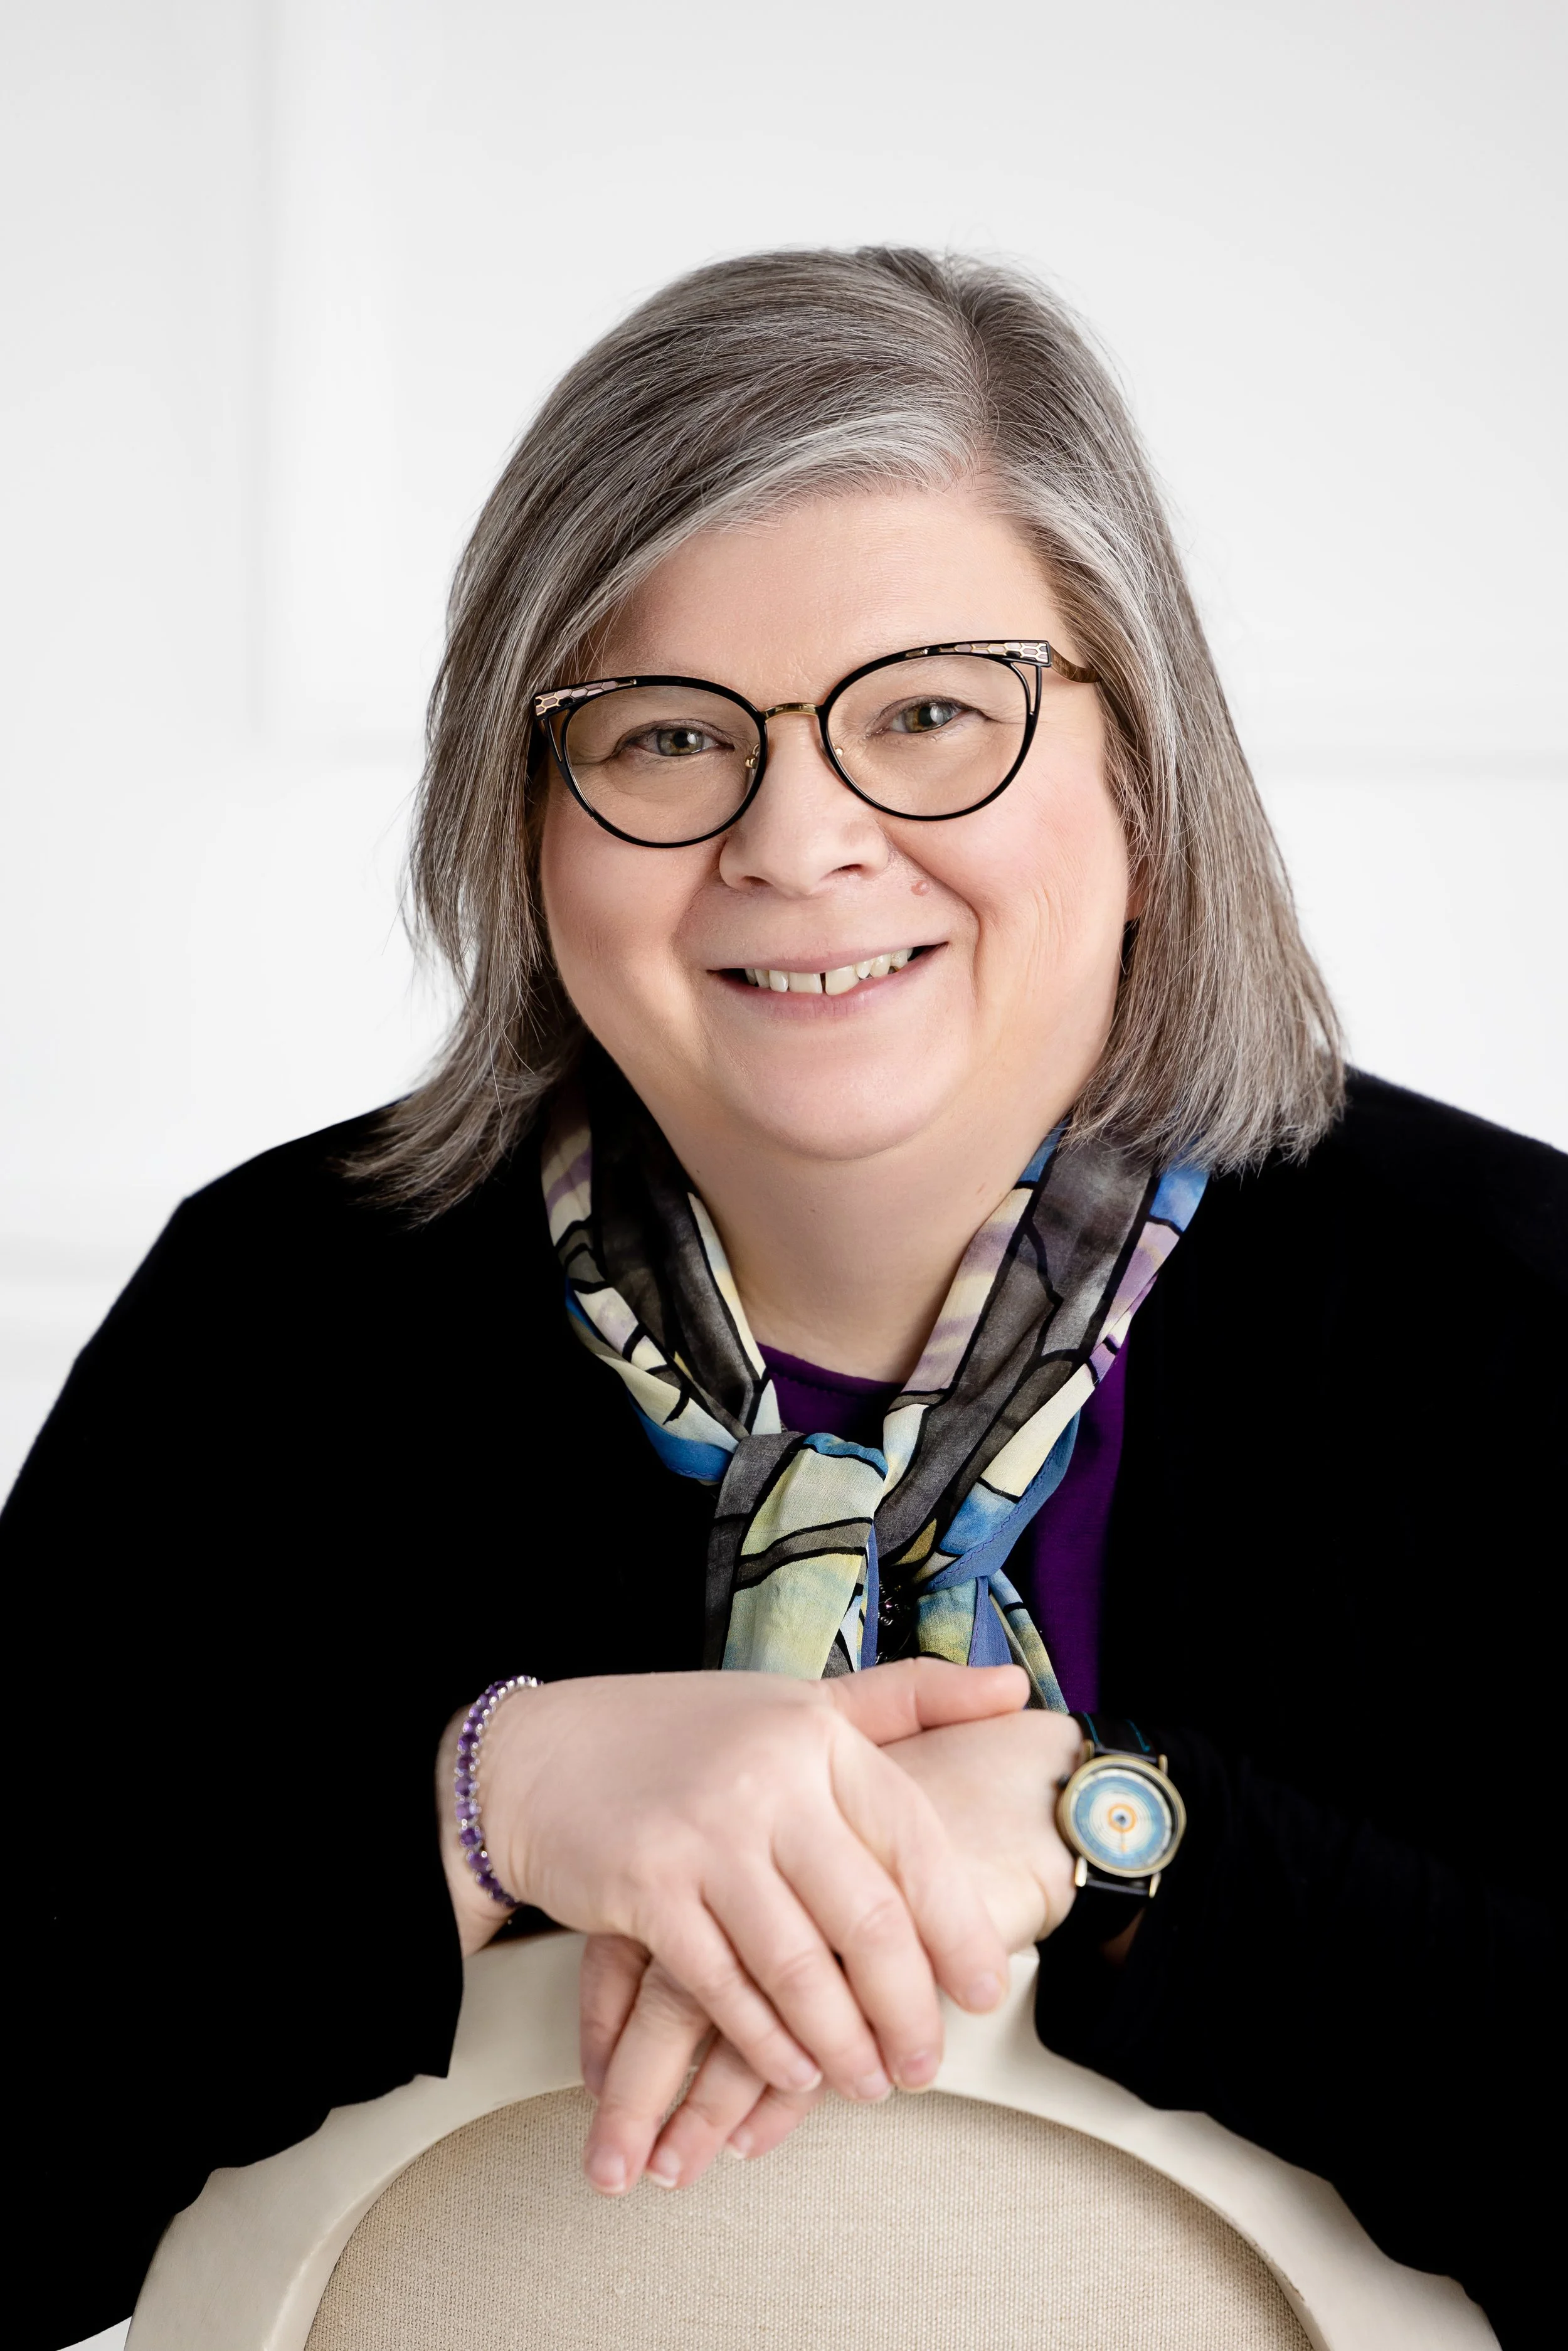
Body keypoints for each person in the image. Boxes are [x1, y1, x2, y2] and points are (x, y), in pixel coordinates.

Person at [9, 248, 1560, 2350]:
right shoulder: (277, 1322)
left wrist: (1116, 1840)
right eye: (663, 737)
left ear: (1141, 766)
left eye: (929, 711)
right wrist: (494, 1803)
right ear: (522, 814)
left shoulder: (1505, 1314)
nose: (799, 838)